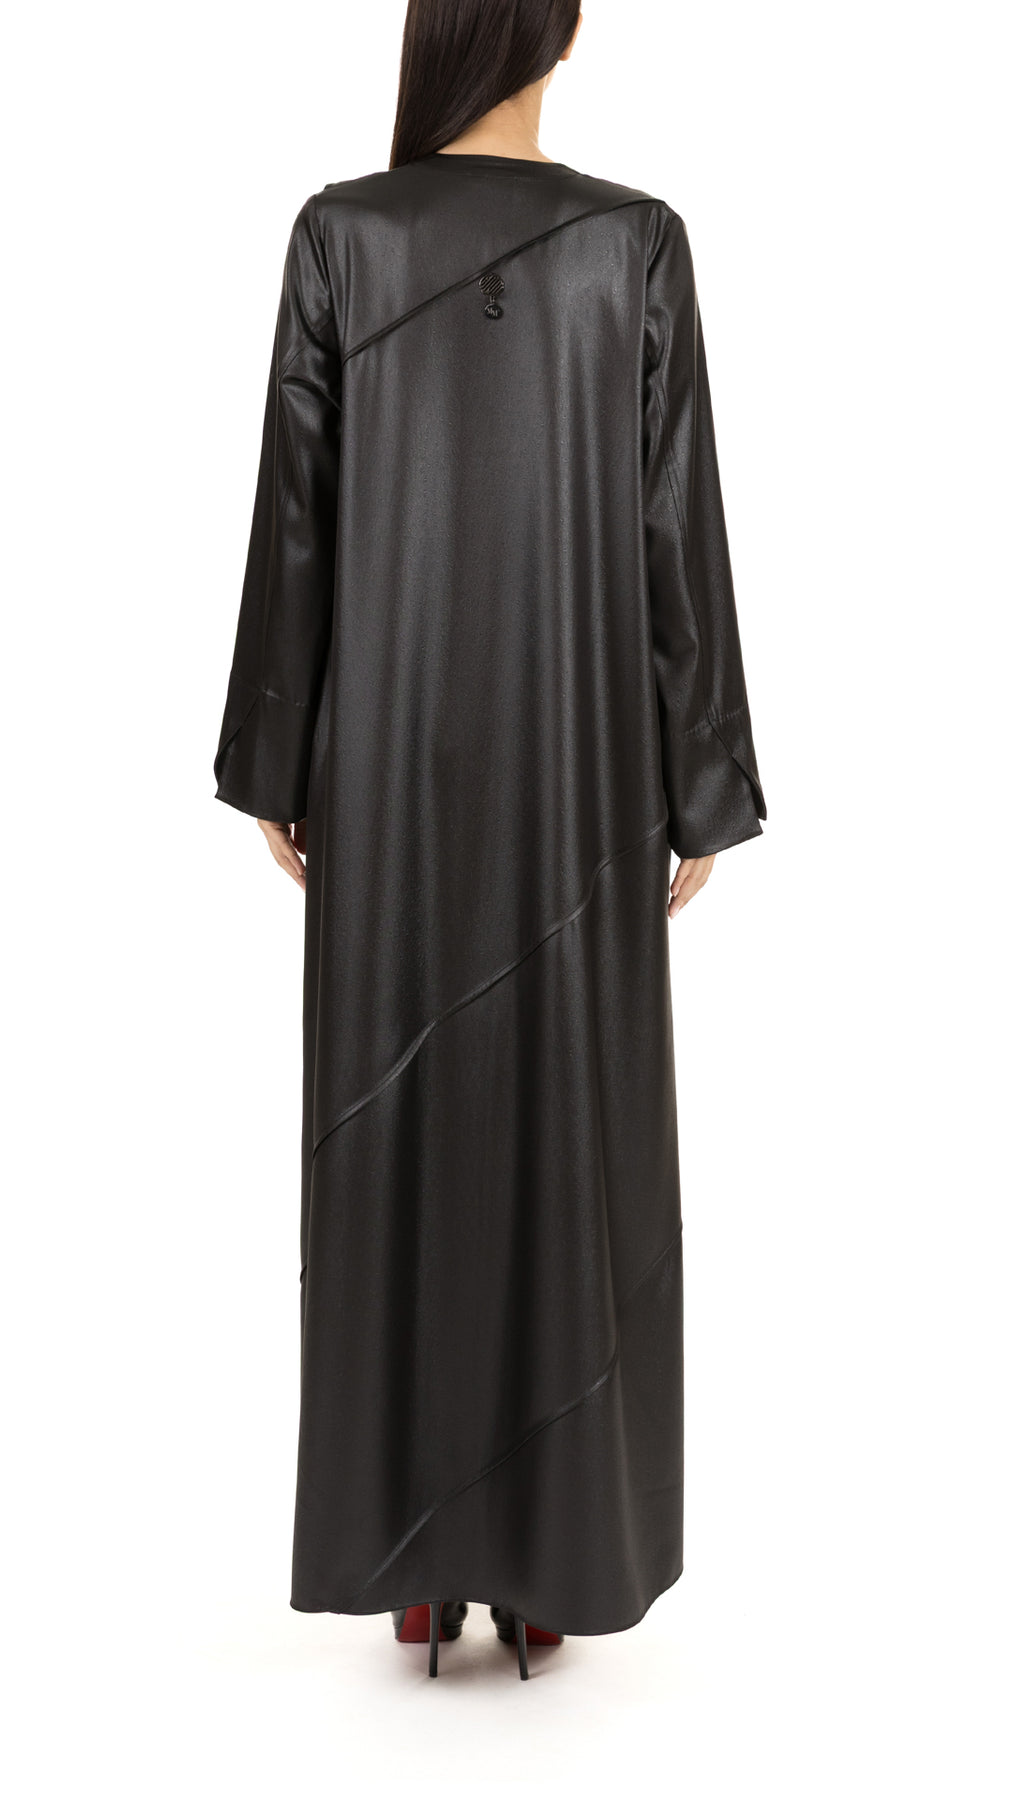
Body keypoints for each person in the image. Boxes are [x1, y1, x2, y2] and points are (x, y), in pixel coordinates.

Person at [213, 0, 766, 1682]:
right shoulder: (634, 244)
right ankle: (547, 1560)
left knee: (396, 1136)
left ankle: (412, 1562)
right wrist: (697, 776)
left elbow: (295, 526)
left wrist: (279, 760)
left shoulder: (342, 237)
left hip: (383, 772)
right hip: (580, 771)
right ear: (561, 32)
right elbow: (676, 528)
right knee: (568, 1118)